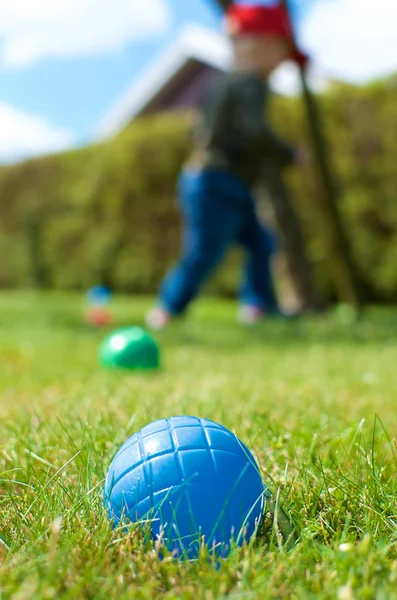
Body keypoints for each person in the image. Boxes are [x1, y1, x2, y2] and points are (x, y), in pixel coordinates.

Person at [146, 2, 308, 330]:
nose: (281, 64)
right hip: (215, 180)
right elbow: (254, 131)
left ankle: (260, 307)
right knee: (205, 250)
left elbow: (200, 128)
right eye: (280, 52)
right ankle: (168, 309)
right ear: (258, 44)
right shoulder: (251, 85)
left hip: (223, 180)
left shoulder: (221, 84)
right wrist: (288, 154)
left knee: (261, 243)